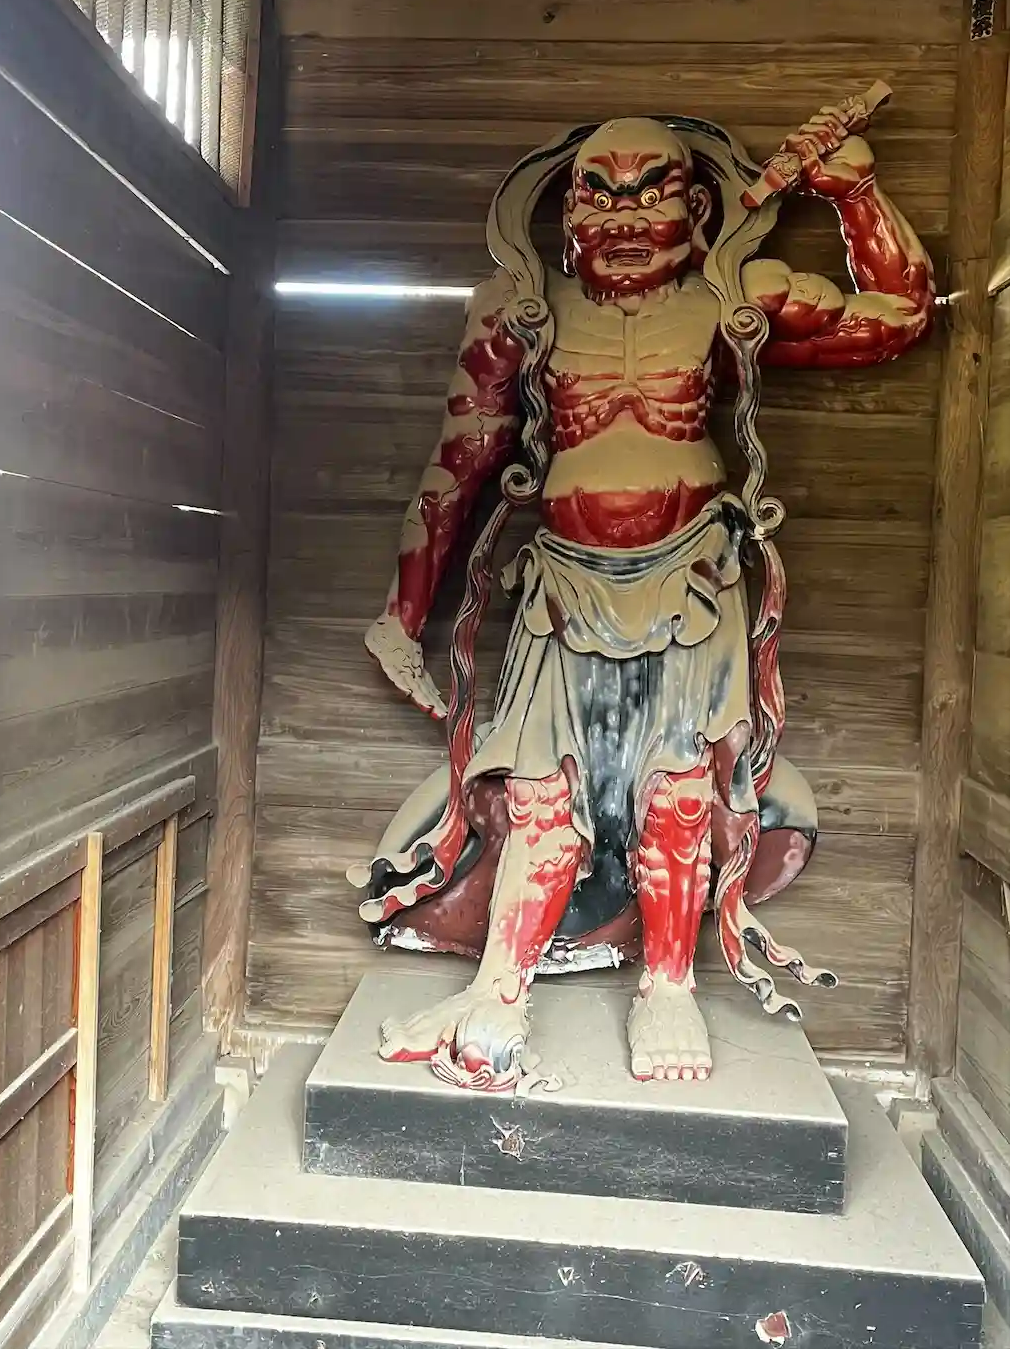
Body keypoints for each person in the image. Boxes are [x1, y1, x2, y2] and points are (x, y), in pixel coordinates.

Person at [355, 111, 934, 1090]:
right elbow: (459, 463)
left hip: (695, 579)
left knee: (679, 789)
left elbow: (897, 317)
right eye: (598, 194)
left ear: (698, 207)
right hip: (563, 586)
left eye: (650, 192)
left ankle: (667, 985)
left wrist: (856, 194)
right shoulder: (520, 311)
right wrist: (400, 617)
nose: (623, 216)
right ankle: (500, 989)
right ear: (566, 214)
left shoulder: (729, 298)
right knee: (538, 791)